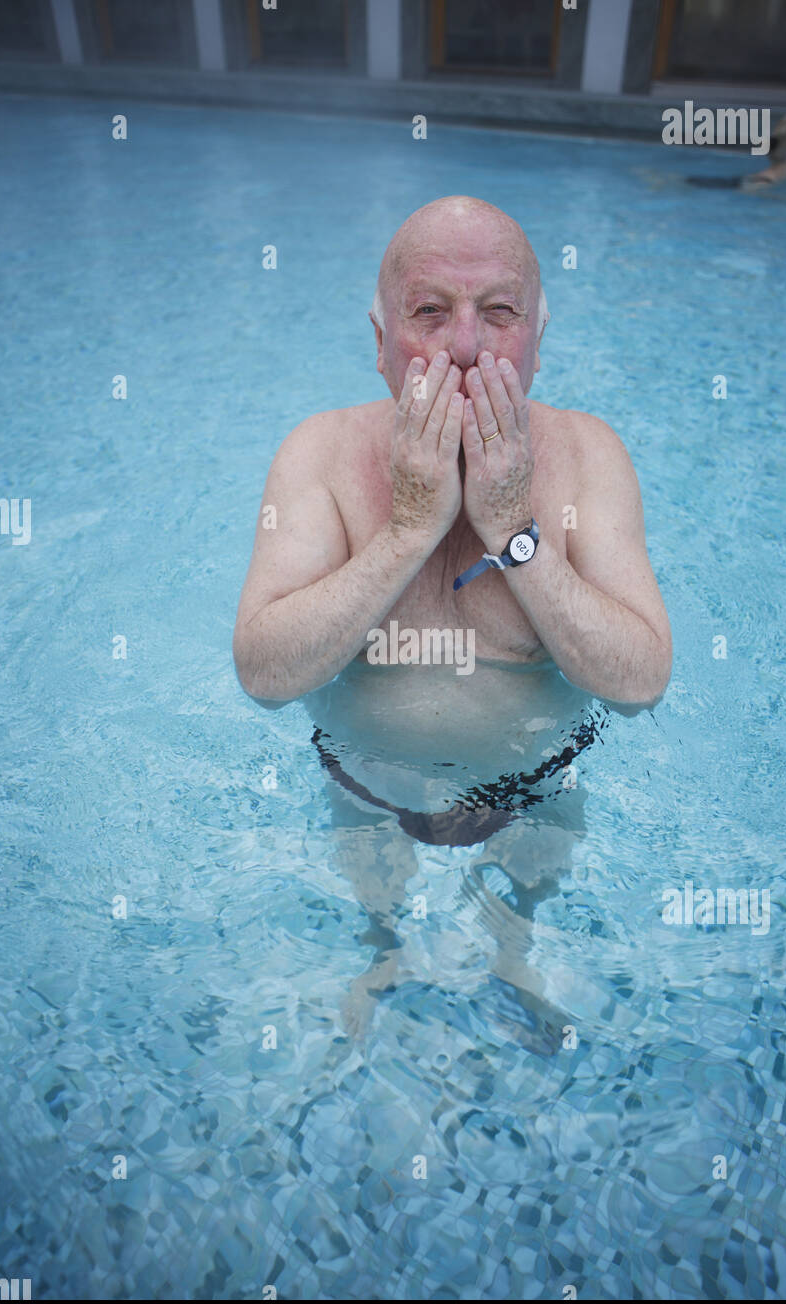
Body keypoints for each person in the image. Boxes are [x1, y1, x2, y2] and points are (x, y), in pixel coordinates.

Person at [233, 196, 672, 1044]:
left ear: (539, 333)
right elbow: (265, 675)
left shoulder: (589, 457)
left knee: (526, 901)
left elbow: (641, 682)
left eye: (498, 314)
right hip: (365, 783)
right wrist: (407, 528)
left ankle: (513, 959)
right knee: (378, 906)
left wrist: (514, 530)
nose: (466, 347)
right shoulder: (317, 455)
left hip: (538, 784)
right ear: (379, 340)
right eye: (431, 312)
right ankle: (384, 952)